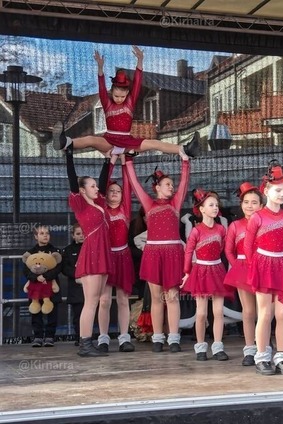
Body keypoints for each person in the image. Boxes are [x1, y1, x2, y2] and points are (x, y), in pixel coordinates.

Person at [53, 46, 200, 159]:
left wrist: (140, 60)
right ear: (112, 93)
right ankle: (64, 142)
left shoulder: (129, 102)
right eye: (116, 96)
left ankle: (185, 149)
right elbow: (101, 87)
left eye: (123, 96)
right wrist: (100, 68)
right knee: (91, 139)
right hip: (110, 141)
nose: (119, 99)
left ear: (127, 94)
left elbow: (137, 82)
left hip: (128, 142)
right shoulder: (107, 103)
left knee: (154, 143)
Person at [124, 155, 191, 353]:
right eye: (168, 184)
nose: (172, 187)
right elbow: (135, 185)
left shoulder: (175, 204)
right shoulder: (149, 205)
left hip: (172, 254)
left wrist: (185, 161)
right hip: (154, 253)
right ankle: (158, 338)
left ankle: (174, 338)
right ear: (157, 187)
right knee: (156, 298)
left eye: (172, 184)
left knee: (172, 297)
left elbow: (184, 183)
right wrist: (128, 162)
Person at [244, 160, 283, 376]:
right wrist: (256, 267)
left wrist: (280, 260)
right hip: (263, 265)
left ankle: (282, 357)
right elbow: (248, 247)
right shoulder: (257, 217)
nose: (282, 194)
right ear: (266, 191)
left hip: (282, 265)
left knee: (282, 313)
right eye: (277, 190)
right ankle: (262, 356)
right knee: (265, 313)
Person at [65, 147, 112, 357]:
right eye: (91, 186)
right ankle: (85, 344)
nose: (96, 188)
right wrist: (69, 155)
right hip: (92, 255)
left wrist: (107, 161)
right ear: (82, 190)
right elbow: (72, 181)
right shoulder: (80, 205)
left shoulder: (99, 203)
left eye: (95, 185)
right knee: (91, 302)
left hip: (102, 254)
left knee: (97, 299)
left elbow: (103, 182)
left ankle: (88, 343)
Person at [181, 189, 230, 361]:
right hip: (201, 271)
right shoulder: (196, 231)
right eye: (211, 205)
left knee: (218, 312)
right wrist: (187, 272)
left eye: (216, 205)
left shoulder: (221, 229)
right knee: (201, 313)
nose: (215, 208)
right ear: (201, 209)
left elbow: (223, 248)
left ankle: (218, 347)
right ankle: (201, 347)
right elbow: (188, 252)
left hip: (217, 270)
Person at [96, 154, 136, 353]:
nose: (115, 193)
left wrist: (123, 161)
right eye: (111, 190)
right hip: (106, 257)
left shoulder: (125, 210)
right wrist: (110, 162)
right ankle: (103, 338)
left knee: (122, 299)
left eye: (118, 191)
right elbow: (102, 187)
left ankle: (124, 338)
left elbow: (128, 185)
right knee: (103, 300)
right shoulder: (101, 209)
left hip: (123, 257)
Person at [223, 182, 263, 366]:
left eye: (254, 202)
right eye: (246, 202)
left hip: (263, 268)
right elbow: (228, 250)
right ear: (241, 204)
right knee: (248, 311)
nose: (249, 206)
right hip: (243, 269)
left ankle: (263, 345)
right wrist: (238, 267)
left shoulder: (265, 223)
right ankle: (249, 349)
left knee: (264, 310)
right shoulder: (235, 225)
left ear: (261, 205)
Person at [23, 225, 62, 348]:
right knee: (36, 312)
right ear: (36, 236)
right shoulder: (30, 252)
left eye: (47, 233)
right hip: (35, 288)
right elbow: (26, 270)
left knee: (52, 312)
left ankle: (50, 337)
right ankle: (38, 337)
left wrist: (45, 276)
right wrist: (36, 277)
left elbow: (58, 268)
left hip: (51, 287)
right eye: (42, 233)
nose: (45, 235)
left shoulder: (55, 251)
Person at [61, 223, 85, 346]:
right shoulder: (68, 250)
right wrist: (78, 273)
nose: (81, 236)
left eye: (83, 233)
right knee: (78, 315)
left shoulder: (92, 247)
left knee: (92, 314)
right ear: (73, 235)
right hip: (76, 289)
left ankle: (89, 337)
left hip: (91, 287)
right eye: (78, 234)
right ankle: (79, 338)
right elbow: (65, 268)